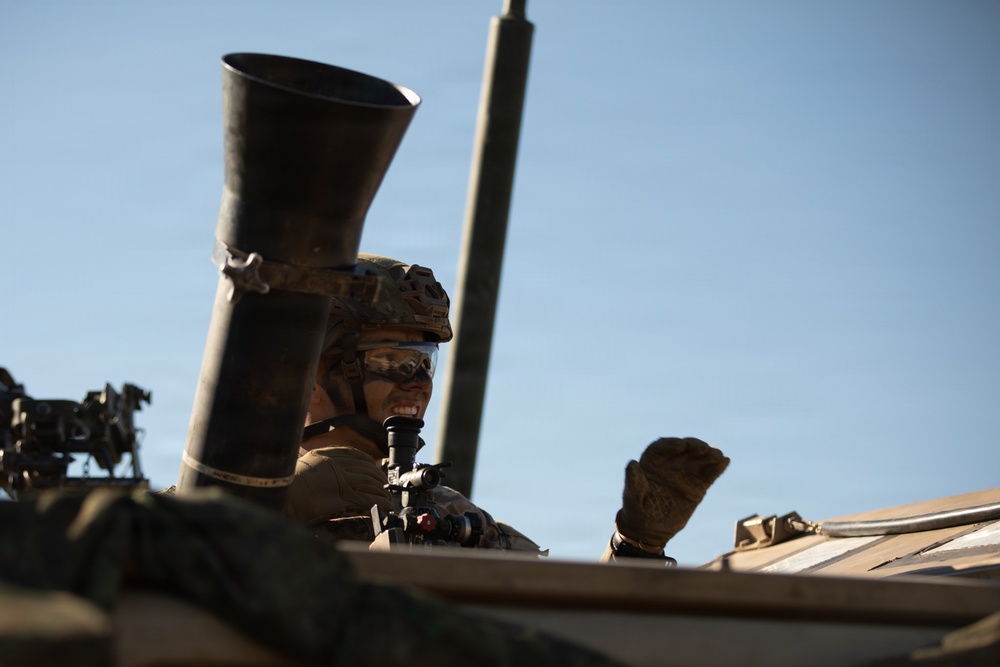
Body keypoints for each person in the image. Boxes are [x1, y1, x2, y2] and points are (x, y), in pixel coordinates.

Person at [285, 253, 729, 562]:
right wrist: (289, 496)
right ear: (314, 376)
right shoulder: (247, 482)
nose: (417, 383)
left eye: (425, 363)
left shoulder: (447, 513)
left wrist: (636, 545)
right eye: (393, 360)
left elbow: (564, 627)